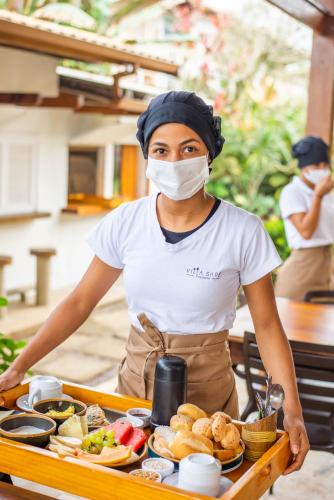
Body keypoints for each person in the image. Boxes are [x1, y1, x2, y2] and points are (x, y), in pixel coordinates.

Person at [0, 91, 308, 473]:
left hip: (208, 399)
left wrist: (292, 411)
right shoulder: (126, 222)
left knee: (201, 486)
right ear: (148, 156)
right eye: (161, 150)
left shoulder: (242, 231)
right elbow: (80, 302)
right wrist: (19, 367)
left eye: (189, 147)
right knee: (128, 480)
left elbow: (266, 326)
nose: (174, 161)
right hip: (136, 386)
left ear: (209, 153)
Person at [275, 136, 334, 301]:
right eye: (316, 165)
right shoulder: (292, 192)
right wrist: (318, 196)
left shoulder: (327, 192)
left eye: (325, 164)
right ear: (304, 167)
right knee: (293, 323)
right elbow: (306, 231)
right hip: (303, 267)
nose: (322, 169)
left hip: (326, 265)